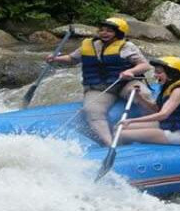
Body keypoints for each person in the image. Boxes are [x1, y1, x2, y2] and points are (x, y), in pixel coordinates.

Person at [47, 18, 152, 146]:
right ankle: (110, 143)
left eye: (109, 31)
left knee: (142, 94)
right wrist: (56, 59)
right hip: (100, 88)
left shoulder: (127, 46)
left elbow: (144, 65)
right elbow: (72, 59)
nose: (104, 33)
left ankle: (153, 124)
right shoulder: (89, 45)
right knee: (92, 110)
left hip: (125, 83)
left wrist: (131, 71)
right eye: (101, 30)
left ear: (118, 33)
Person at [118, 57, 180, 145]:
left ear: (171, 73)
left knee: (121, 134)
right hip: (170, 123)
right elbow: (156, 109)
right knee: (119, 128)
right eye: (155, 71)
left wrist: (132, 120)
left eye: (159, 72)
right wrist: (139, 98)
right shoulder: (168, 84)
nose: (155, 75)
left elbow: (163, 115)